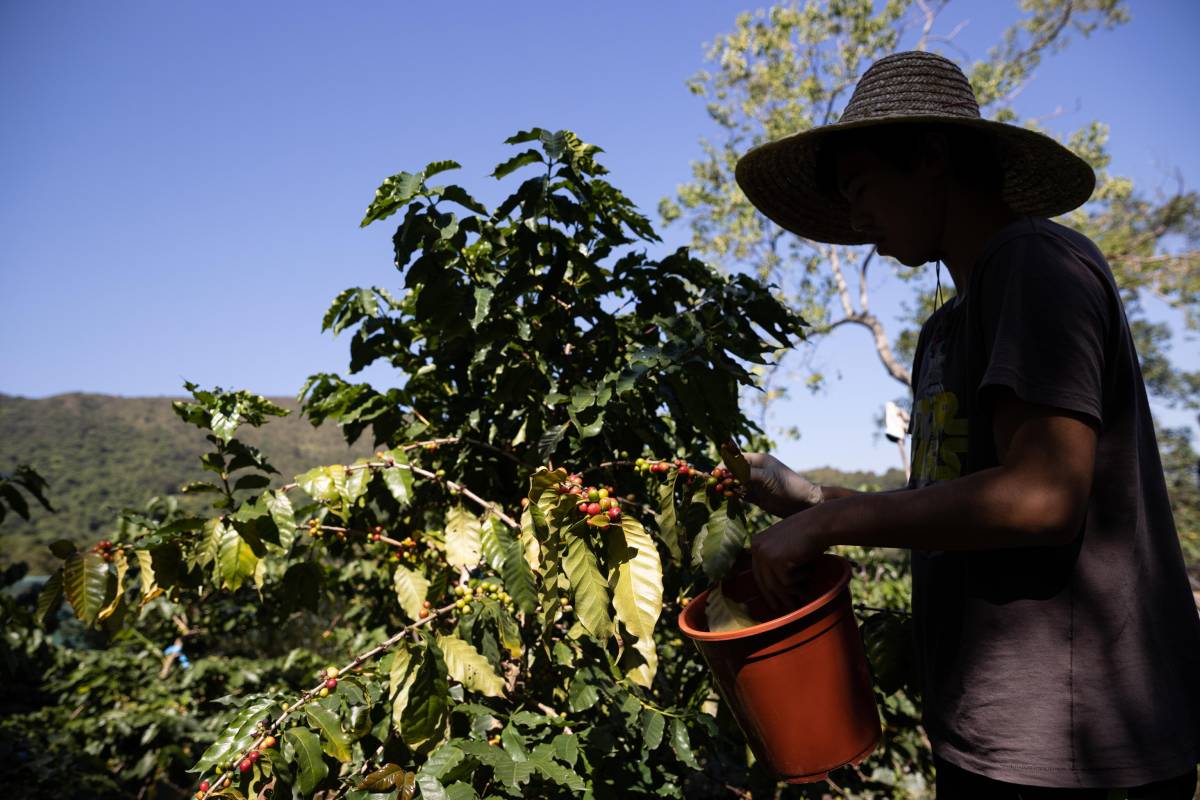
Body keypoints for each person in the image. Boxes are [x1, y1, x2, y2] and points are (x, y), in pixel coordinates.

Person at [733, 50, 1200, 798]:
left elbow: (1042, 497)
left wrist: (828, 528)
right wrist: (811, 500)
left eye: (860, 188)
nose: (854, 222)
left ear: (931, 159)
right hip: (986, 739)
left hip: (1075, 749)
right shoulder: (945, 332)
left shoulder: (1035, 264)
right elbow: (955, 498)